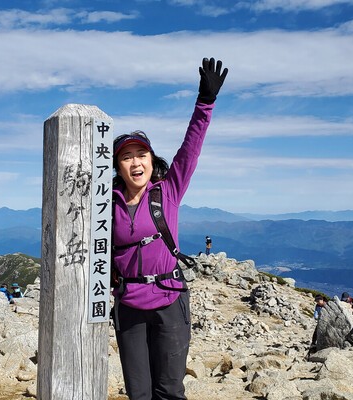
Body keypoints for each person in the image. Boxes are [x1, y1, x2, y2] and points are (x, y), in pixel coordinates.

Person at [111, 57, 228, 400]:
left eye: (141, 154)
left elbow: (190, 150)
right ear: (118, 166)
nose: (135, 162)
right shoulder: (105, 205)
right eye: (127, 156)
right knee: (139, 393)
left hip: (169, 300)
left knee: (170, 391)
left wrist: (205, 102)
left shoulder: (168, 191)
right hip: (129, 304)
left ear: (151, 160)